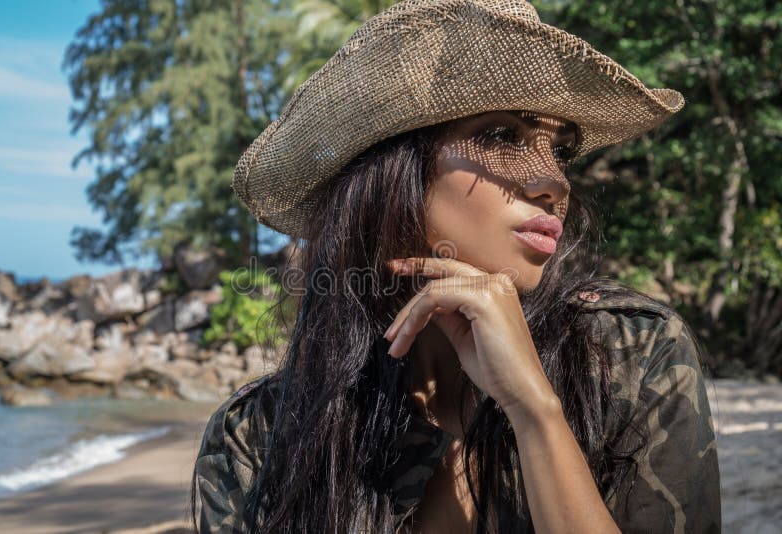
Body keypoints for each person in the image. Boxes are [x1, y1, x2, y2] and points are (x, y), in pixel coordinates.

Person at [191, 1, 721, 532]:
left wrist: (534, 410)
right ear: (391, 174)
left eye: (560, 150)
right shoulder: (260, 436)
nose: (554, 183)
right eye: (500, 136)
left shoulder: (627, 357)